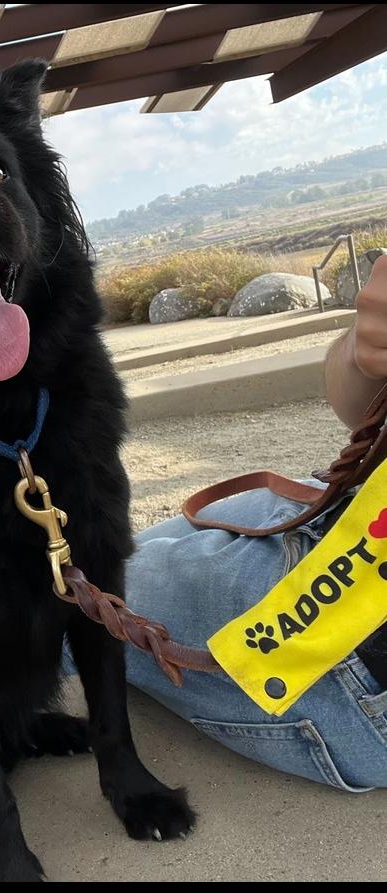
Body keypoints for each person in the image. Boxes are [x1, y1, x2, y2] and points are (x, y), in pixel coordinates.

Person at [123, 256, 387, 792]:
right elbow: (353, 405)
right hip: (344, 516)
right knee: (121, 553)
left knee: (57, 589)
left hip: (339, 628)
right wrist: (367, 351)